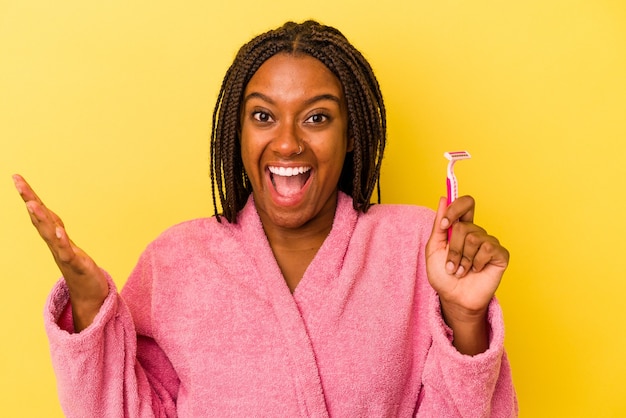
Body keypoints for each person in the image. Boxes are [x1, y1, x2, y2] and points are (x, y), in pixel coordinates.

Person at [13, 20, 518, 417]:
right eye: (262, 115)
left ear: (352, 134)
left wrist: (466, 319)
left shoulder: (416, 248)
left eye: (317, 117)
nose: (287, 142)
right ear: (237, 131)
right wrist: (86, 304)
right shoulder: (176, 260)